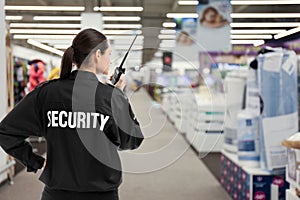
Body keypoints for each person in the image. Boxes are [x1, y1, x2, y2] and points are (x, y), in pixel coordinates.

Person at [0, 28, 144, 200]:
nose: (110, 60)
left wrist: (35, 161)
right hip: (101, 194)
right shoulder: (109, 96)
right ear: (98, 54)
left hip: (56, 194)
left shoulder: (46, 93)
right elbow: (132, 140)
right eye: (109, 54)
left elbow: (5, 132)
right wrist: (120, 96)